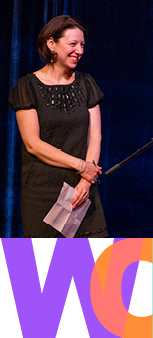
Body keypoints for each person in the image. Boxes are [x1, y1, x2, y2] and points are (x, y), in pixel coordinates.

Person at [9, 15, 108, 238]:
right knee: (45, 266)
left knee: (92, 266)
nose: (79, 51)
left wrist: (85, 180)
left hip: (81, 191)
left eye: (82, 45)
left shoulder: (86, 84)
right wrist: (82, 166)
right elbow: (33, 145)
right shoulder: (27, 87)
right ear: (51, 43)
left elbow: (96, 137)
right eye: (73, 44)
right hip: (42, 190)